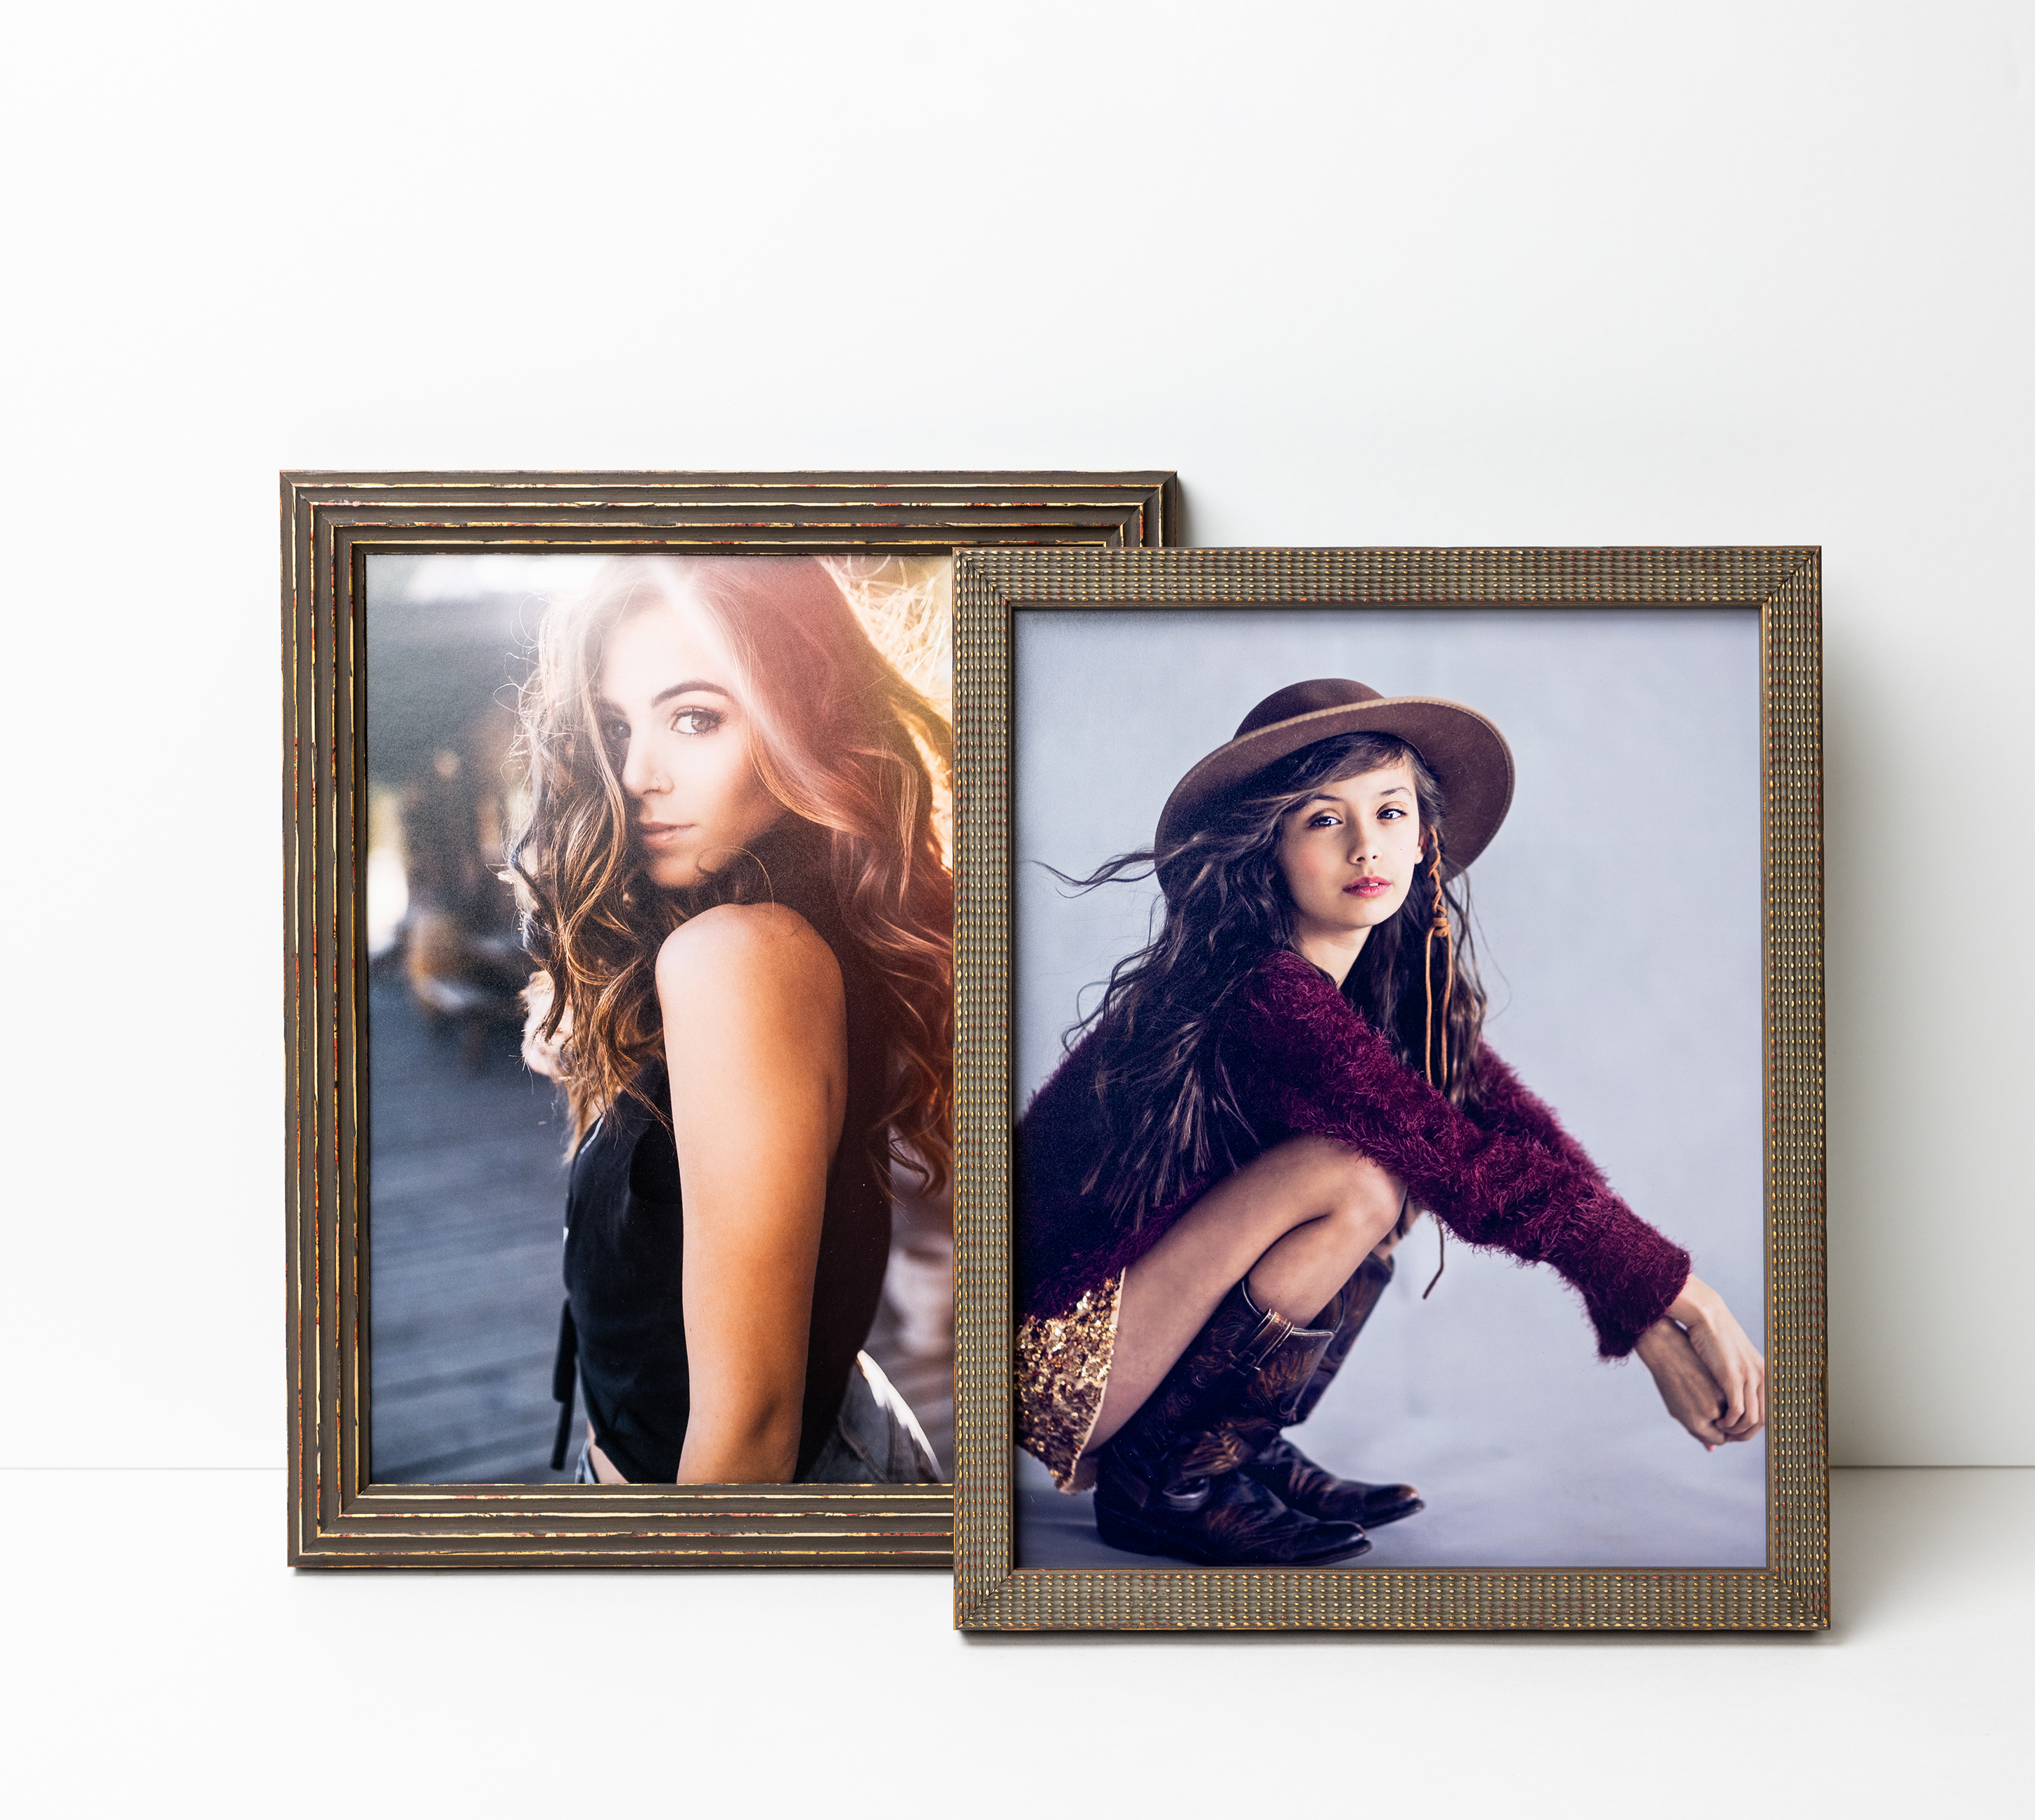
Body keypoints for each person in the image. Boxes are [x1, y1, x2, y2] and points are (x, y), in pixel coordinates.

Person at [1015, 678, 1766, 1565]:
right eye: (1324, 820)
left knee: (1394, 1171)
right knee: (1363, 1175)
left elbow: (1518, 1139)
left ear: (1426, 837)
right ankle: (1171, 1476)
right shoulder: (1266, 992)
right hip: (1055, 1358)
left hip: (1134, 1329)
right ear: (1270, 849)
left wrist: (1636, 1307)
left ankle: (1233, 1445)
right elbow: (1469, 1169)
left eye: (1391, 811)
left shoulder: (1380, 989)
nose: (1367, 845)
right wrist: (1685, 1298)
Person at [513, 556, 951, 1485]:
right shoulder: (794, 930)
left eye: (697, 718)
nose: (636, 773)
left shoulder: (741, 956)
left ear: (808, 722)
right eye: (616, 725)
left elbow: (750, 1427)